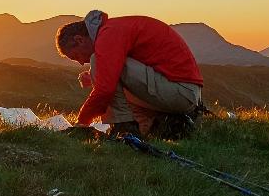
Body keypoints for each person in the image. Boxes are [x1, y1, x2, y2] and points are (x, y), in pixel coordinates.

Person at [56, 10, 204, 138]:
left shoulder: (109, 34)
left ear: (79, 39)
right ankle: (163, 125)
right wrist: (95, 76)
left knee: (98, 61)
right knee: (103, 68)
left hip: (181, 92)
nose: (81, 62)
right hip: (181, 91)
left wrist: (81, 122)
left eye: (76, 56)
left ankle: (123, 127)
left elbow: (105, 90)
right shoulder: (112, 30)